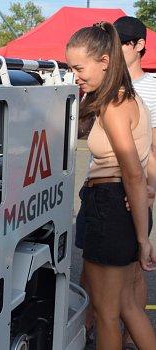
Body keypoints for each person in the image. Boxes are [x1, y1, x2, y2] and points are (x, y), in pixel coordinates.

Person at [66, 21, 156, 350]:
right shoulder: (126, 97)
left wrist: (144, 237)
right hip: (119, 205)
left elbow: (132, 171)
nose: (75, 75)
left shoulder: (115, 104)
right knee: (129, 306)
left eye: (78, 67)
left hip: (110, 204)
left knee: (105, 312)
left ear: (104, 61)